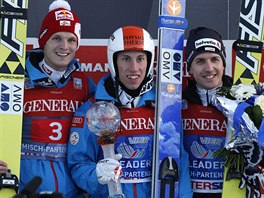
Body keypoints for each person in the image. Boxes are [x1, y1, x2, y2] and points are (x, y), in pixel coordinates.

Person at [67, 25, 192, 198]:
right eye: (126, 59)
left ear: (149, 62)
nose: (134, 68)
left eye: (140, 59)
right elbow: (78, 164)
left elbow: (180, 164)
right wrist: (96, 175)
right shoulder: (92, 111)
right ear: (113, 61)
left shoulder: (165, 109)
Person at [14, 0, 95, 197]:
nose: (64, 46)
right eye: (56, 38)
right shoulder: (17, 79)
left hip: (71, 192)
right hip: (27, 190)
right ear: (44, 41)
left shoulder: (85, 84)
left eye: (71, 40)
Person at [182, 27, 233, 198]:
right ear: (190, 69)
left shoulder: (242, 104)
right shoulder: (175, 105)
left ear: (223, 65)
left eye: (215, 59)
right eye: (200, 61)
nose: (209, 68)